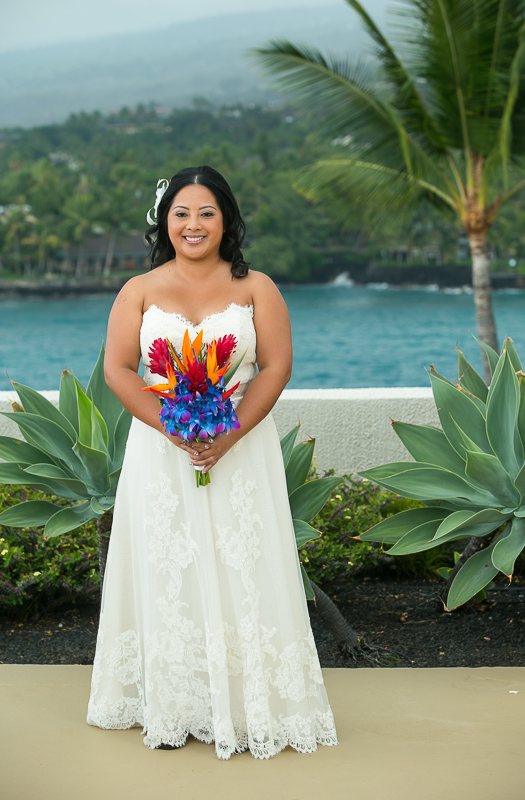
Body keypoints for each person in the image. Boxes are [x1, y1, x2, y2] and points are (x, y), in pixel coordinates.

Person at [86, 165, 338, 759]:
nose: (193, 224)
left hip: (242, 450)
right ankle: (176, 703)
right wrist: (173, 425)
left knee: (240, 564)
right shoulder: (138, 291)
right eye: (181, 213)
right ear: (164, 222)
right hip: (161, 450)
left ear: (226, 220)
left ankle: (252, 702)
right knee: (171, 568)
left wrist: (228, 434)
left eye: (206, 213)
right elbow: (120, 369)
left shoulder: (258, 288)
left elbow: (275, 367)